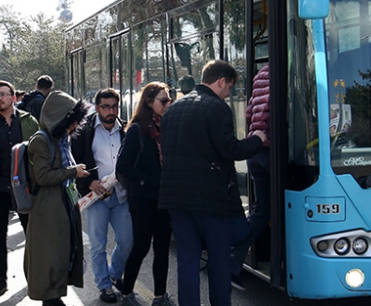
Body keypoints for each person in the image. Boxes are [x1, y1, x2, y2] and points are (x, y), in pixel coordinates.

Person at [159, 60, 267, 306]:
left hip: (176, 198)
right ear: (221, 82)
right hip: (210, 199)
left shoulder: (173, 109)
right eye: (229, 88)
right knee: (218, 261)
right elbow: (229, 149)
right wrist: (257, 140)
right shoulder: (216, 108)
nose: (229, 94)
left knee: (187, 260)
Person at [23, 90, 90, 306]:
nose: (73, 126)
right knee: (50, 258)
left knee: (60, 255)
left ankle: (54, 298)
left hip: (60, 205)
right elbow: (42, 176)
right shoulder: (41, 141)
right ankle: (51, 299)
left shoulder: (60, 139)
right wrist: (73, 172)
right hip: (48, 208)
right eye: (70, 121)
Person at [116, 82, 175, 306]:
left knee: (162, 248)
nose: (167, 104)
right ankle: (126, 293)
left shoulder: (167, 127)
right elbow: (123, 166)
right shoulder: (136, 130)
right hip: (142, 198)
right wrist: (147, 179)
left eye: (169, 99)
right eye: (163, 100)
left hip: (164, 198)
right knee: (141, 247)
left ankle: (160, 296)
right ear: (149, 102)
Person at [71, 88, 132, 303]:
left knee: (127, 241)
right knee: (98, 244)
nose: (111, 111)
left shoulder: (126, 129)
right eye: (106, 107)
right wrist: (88, 182)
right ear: (97, 108)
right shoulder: (84, 131)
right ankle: (104, 285)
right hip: (97, 197)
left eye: (114, 106)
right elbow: (74, 163)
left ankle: (115, 274)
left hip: (121, 195)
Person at [0, 80, 39, 297]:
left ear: (14, 98)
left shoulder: (28, 122)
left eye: (3, 94)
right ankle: (0, 280)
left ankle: (35, 279)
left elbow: (39, 153)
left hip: (24, 188)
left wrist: (39, 185)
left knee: (32, 235)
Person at [230, 64, 271, 291]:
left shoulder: (261, 74)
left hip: (256, 151)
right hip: (273, 150)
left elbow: (249, 112)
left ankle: (234, 257)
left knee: (262, 209)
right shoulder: (291, 68)